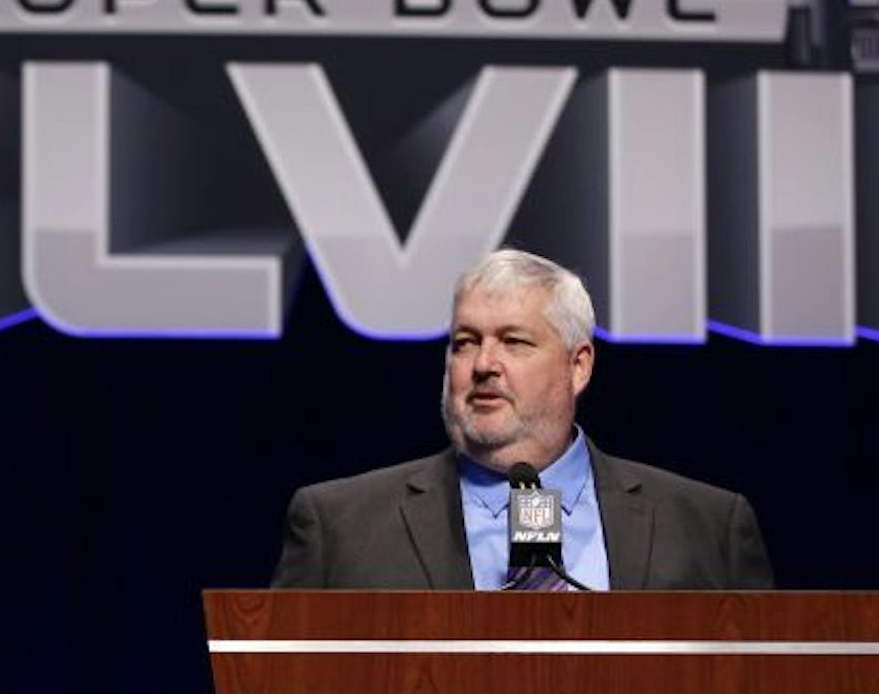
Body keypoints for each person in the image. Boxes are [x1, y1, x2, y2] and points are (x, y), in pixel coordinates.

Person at [272, 248, 773, 591]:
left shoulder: (708, 527)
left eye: (514, 341)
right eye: (465, 342)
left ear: (579, 365)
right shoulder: (341, 526)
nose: (484, 363)